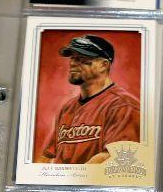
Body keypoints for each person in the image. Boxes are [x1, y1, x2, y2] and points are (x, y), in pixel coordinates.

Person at [40, 35, 140, 165]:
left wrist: (69, 177)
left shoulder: (123, 106)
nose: (72, 63)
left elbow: (112, 157)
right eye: (72, 58)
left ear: (103, 65)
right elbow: (47, 155)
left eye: (81, 59)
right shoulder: (67, 107)